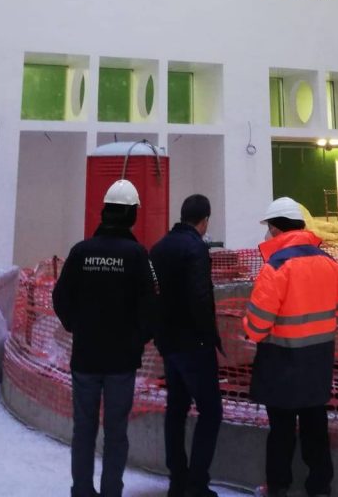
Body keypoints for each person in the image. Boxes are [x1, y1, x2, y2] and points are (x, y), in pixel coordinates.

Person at [52, 180, 158, 497]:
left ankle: (82, 490)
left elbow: (60, 297)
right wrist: (138, 338)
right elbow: (152, 305)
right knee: (116, 432)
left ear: (105, 211)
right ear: (131, 215)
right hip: (121, 362)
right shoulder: (137, 255)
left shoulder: (82, 252)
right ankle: (112, 490)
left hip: (85, 357)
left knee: (83, 430)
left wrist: (75, 326)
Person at [242, 198, 338, 497]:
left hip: (281, 363)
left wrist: (247, 326)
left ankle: (278, 487)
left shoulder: (275, 268)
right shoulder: (329, 263)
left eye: (268, 229)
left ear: (275, 229)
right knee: (316, 425)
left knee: (282, 431)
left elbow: (258, 325)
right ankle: (320, 486)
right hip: (317, 361)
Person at [149, 195, 223, 497]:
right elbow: (200, 298)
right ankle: (197, 483)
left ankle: (177, 480)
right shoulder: (196, 249)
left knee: (176, 409)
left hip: (169, 343)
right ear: (204, 220)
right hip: (194, 343)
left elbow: (152, 293)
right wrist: (210, 337)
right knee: (211, 411)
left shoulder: (159, 247)